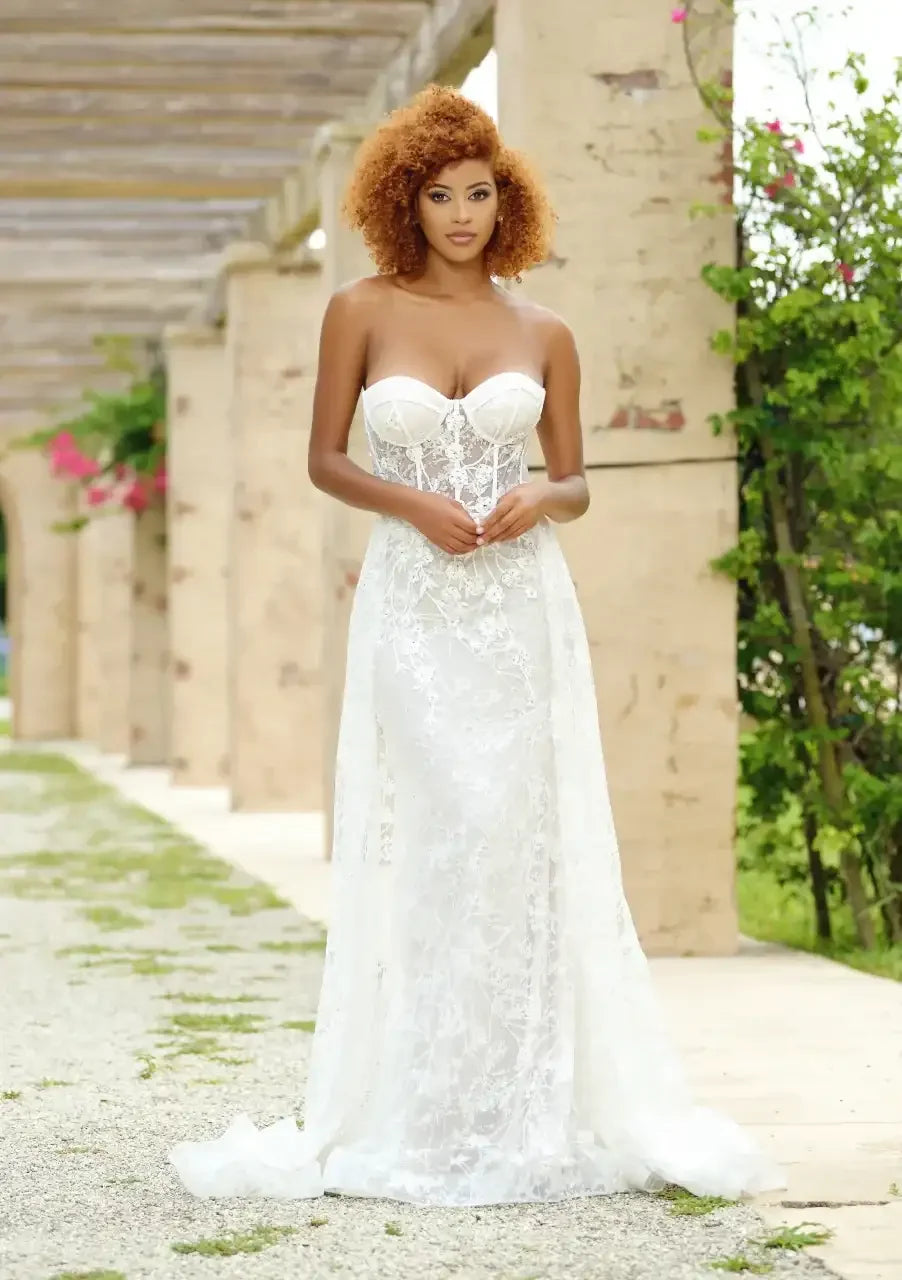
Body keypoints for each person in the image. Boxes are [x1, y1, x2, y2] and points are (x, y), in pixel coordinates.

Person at [169, 84, 784, 1207]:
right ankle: (419, 1100)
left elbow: (579, 479)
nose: (462, 213)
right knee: (444, 828)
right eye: (442, 194)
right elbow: (324, 459)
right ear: (403, 200)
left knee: (514, 839)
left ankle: (515, 1097)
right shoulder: (357, 308)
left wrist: (535, 500)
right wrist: (411, 503)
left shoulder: (541, 330)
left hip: (514, 609)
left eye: (481, 192)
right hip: (412, 604)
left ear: (510, 202)